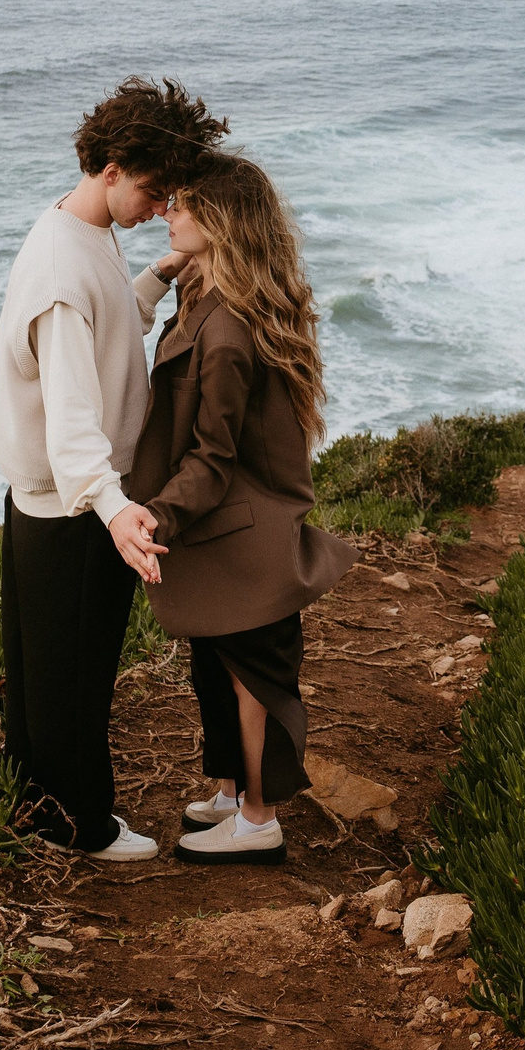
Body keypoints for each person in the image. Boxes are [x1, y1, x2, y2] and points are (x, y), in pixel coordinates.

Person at [0, 77, 228, 861]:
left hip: (48, 500)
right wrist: (116, 508)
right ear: (114, 165)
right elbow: (71, 414)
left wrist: (153, 280)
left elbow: (106, 319)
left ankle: (38, 812)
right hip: (74, 506)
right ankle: (79, 829)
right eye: (154, 190)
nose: (160, 208)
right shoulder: (62, 272)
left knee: (42, 674)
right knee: (72, 681)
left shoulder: (77, 227)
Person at [123, 156, 357, 864]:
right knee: (214, 667)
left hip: (244, 534)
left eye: (185, 206)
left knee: (255, 680)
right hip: (234, 528)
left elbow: (213, 458)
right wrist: (169, 270)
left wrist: (149, 518)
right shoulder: (217, 293)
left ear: (220, 221)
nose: (168, 211)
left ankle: (259, 819)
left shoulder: (225, 330)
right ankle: (231, 791)